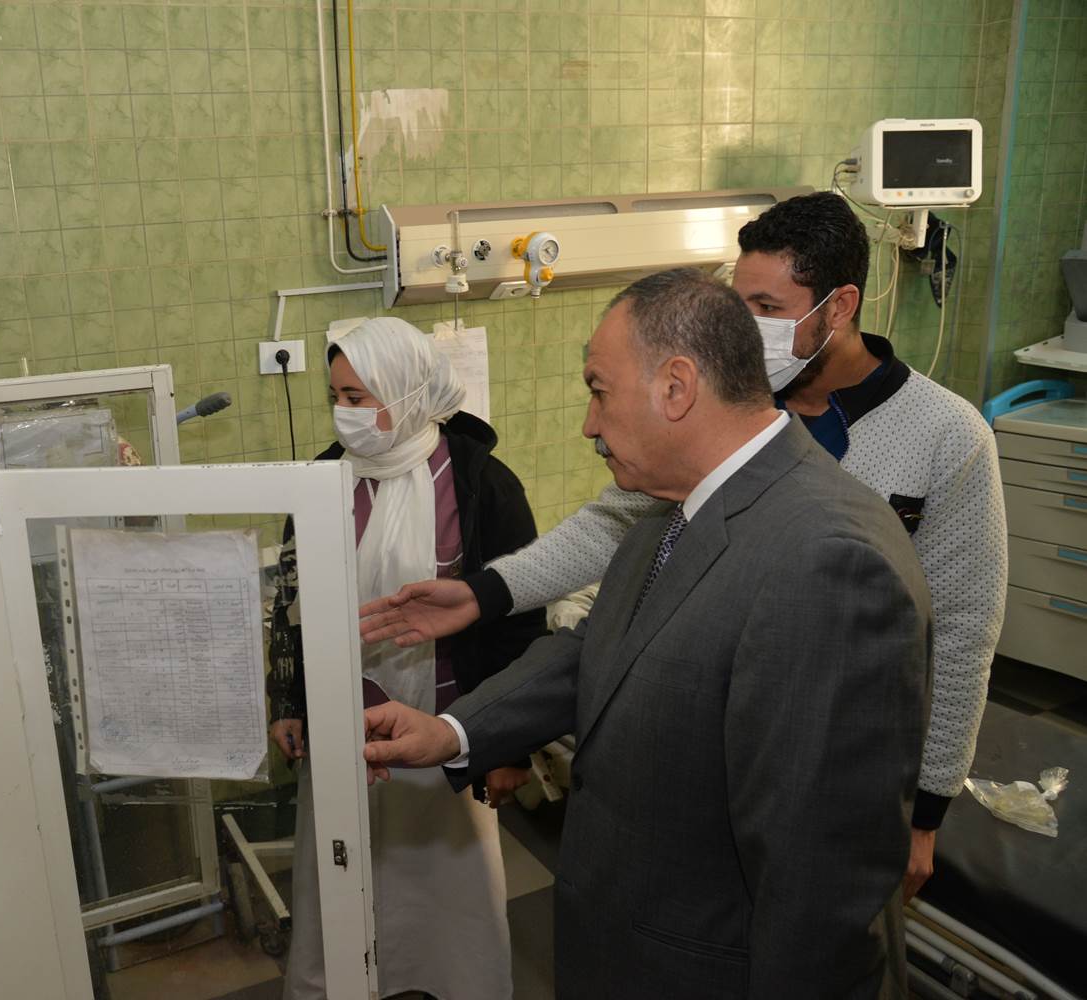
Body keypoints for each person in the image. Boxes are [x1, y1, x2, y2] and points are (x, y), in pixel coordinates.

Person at [358, 191, 1007, 900]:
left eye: (767, 307)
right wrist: (484, 594)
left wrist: (926, 810)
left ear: (841, 306)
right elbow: (615, 527)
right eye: (739, 303)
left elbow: (964, 629)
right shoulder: (736, 409)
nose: (746, 328)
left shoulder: (945, 439)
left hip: (833, 755)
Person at [362, 268, 933, 999]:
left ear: (676, 387)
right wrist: (453, 731)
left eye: (599, 391)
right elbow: (598, 650)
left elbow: (820, 892)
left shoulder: (828, 563)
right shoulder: (671, 514)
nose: (589, 424)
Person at [266, 316, 546, 1000]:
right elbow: (293, 600)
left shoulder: (482, 485)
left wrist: (507, 745)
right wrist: (290, 702)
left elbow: (518, 617)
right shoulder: (324, 480)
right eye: (336, 397)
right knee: (342, 873)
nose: (344, 414)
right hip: (343, 723)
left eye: (357, 397)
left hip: (444, 726)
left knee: (449, 893)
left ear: (406, 391)